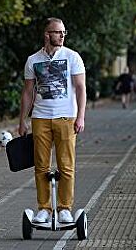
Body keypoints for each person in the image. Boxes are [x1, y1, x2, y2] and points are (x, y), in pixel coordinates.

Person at [17, 17, 86, 224]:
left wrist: (81, 116)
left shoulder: (73, 57)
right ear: (47, 34)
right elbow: (28, 92)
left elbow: (81, 88)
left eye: (64, 32)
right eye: (58, 32)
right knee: (41, 166)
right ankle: (44, 208)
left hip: (66, 118)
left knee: (66, 165)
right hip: (41, 118)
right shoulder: (33, 60)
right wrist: (23, 120)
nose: (62, 35)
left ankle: (65, 208)